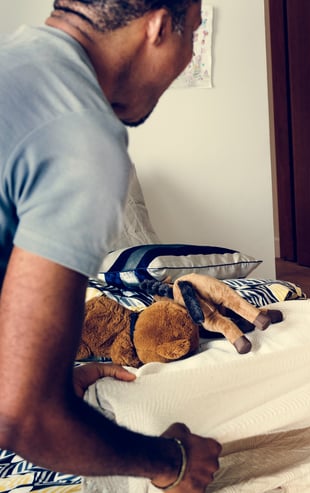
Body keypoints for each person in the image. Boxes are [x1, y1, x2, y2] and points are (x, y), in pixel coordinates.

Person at [0, 1, 221, 491]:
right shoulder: (81, 137)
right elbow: (24, 418)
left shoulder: (14, 59)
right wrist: (173, 463)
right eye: (195, 34)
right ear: (161, 27)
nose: (189, 55)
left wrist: (53, 376)